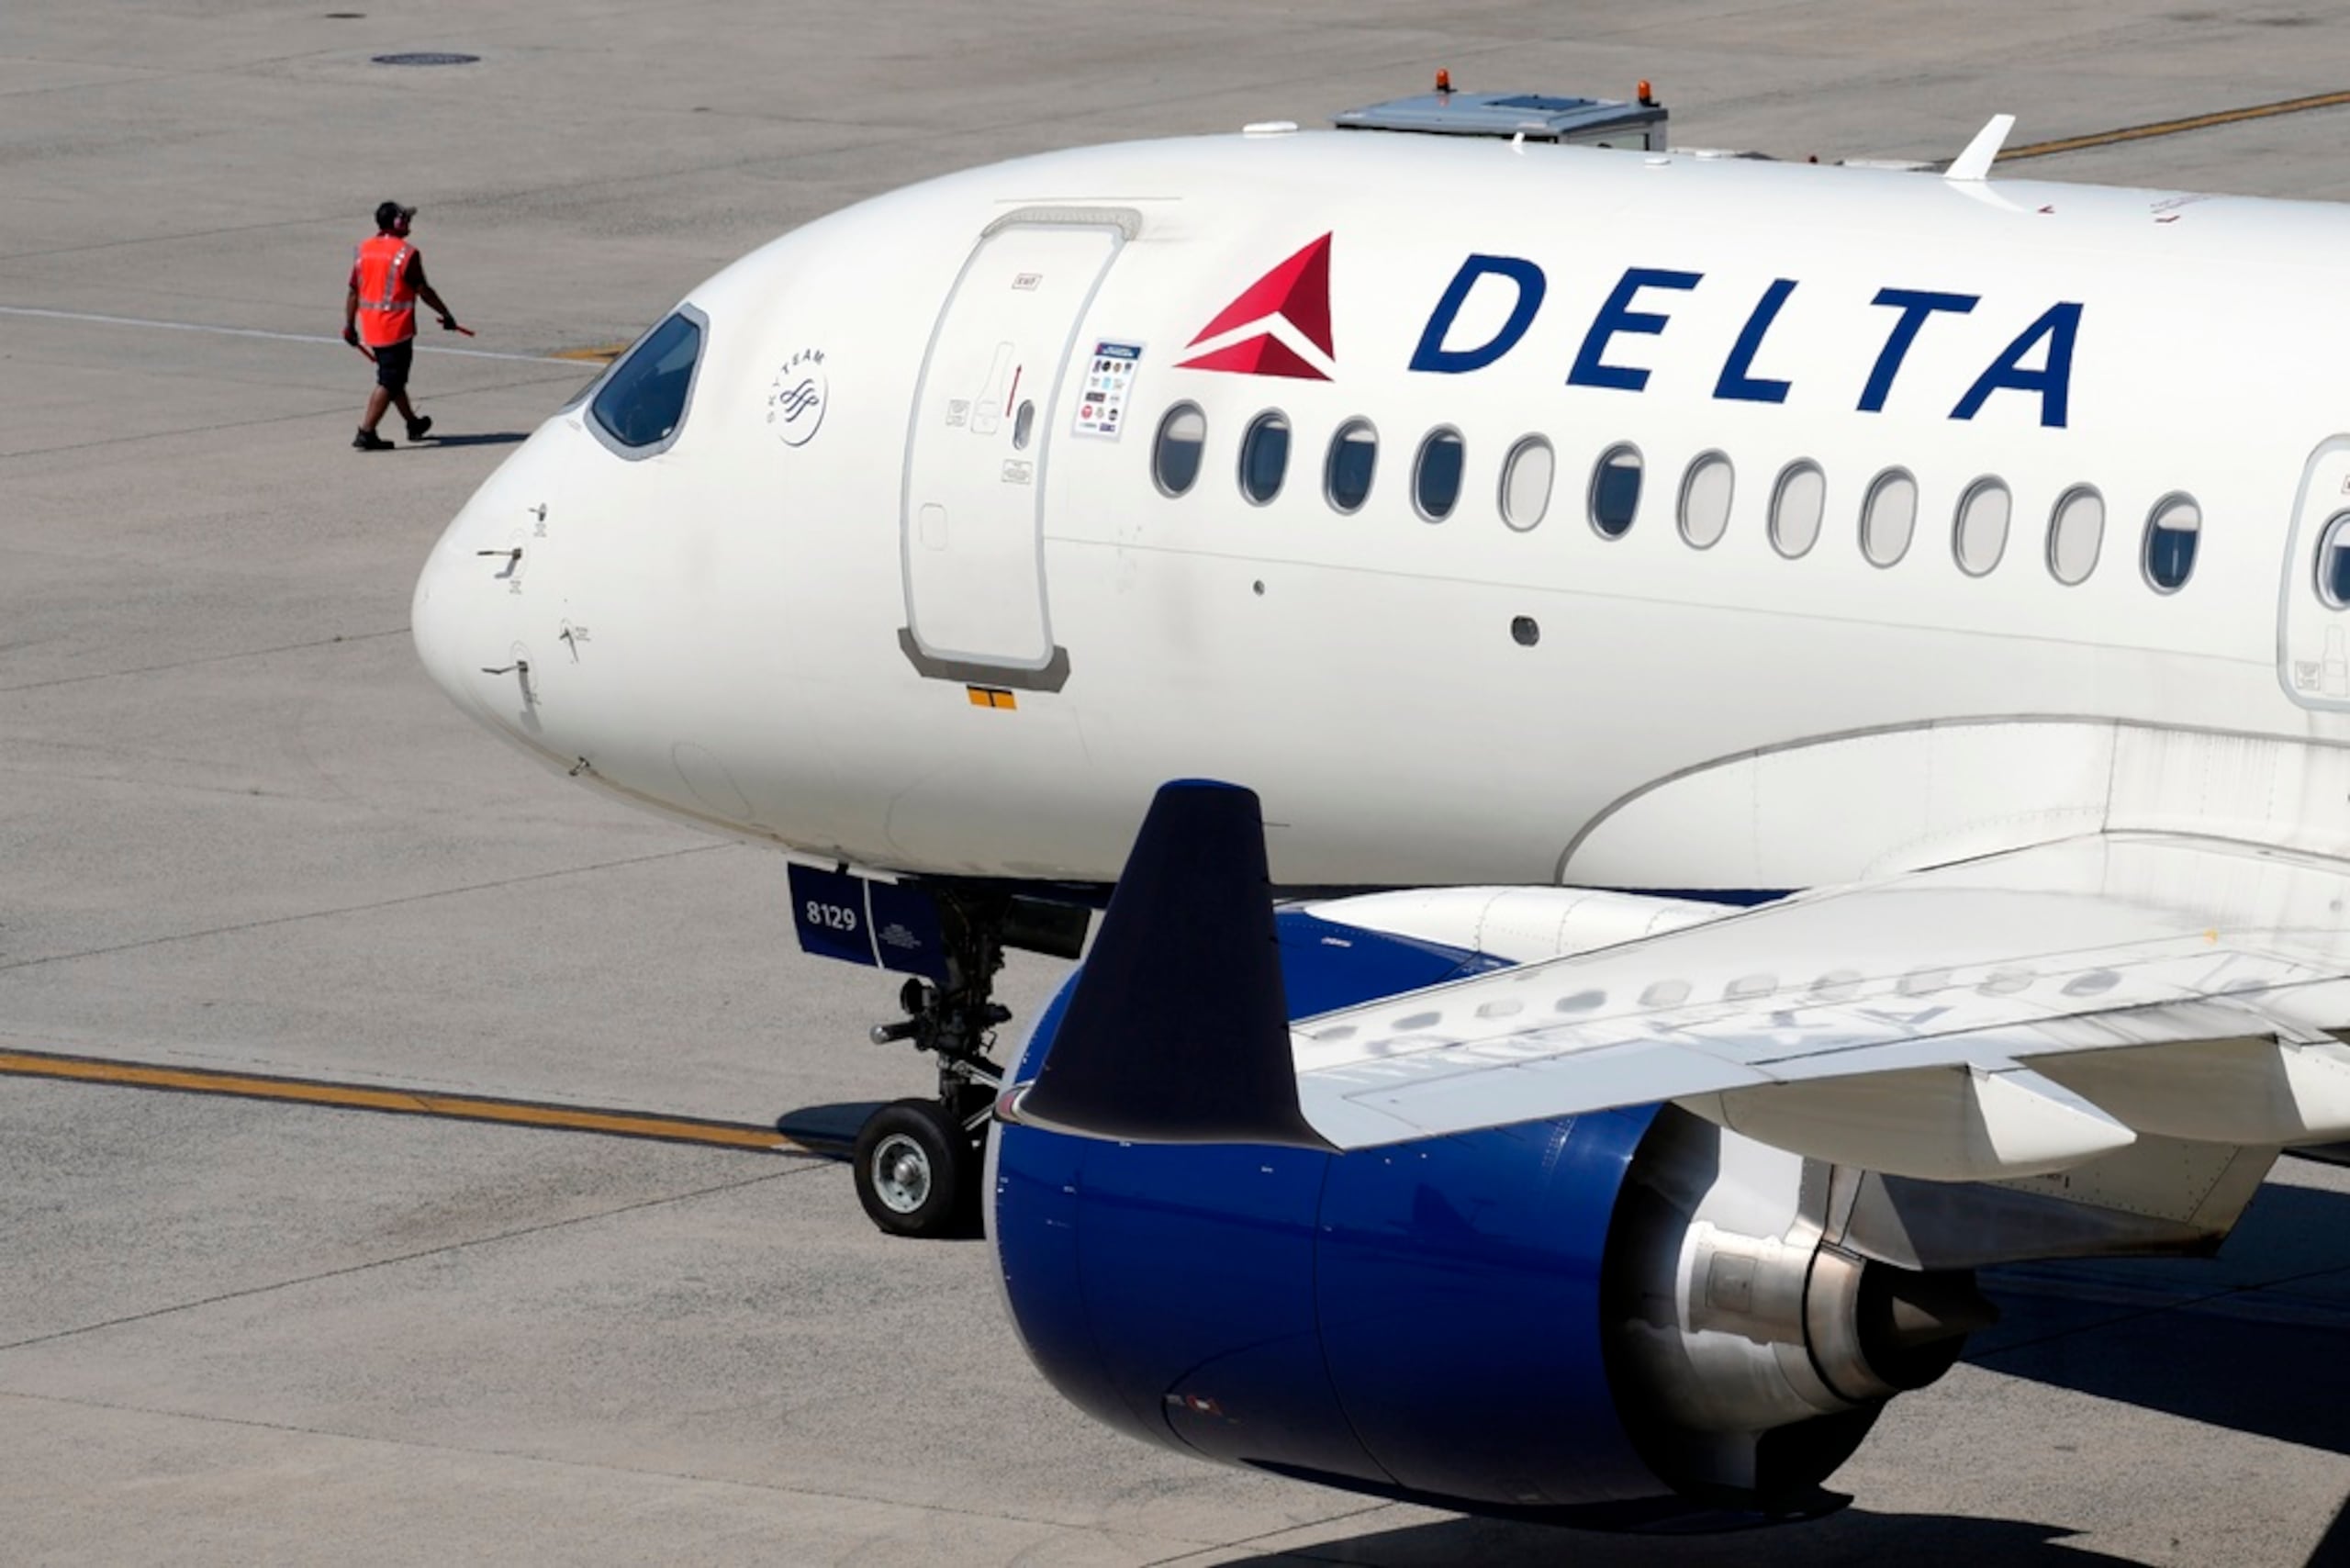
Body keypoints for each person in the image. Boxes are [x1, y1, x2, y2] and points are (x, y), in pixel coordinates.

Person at [342, 200, 460, 451]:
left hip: (372, 326)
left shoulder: (364, 249)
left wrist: (349, 325)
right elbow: (423, 291)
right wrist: (446, 314)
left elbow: (353, 291)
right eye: (405, 219)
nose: (409, 224)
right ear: (396, 223)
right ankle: (366, 432)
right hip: (395, 329)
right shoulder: (406, 253)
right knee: (389, 381)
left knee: (394, 379)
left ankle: (413, 424)